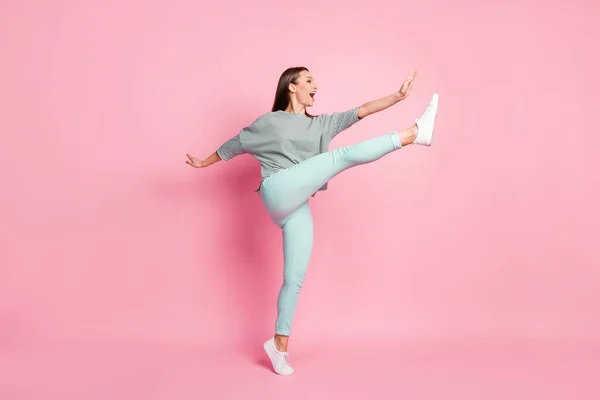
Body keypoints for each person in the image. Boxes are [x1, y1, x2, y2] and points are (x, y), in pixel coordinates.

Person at [186, 67, 439, 376]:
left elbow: (362, 111)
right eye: (308, 80)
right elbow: (234, 145)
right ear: (291, 87)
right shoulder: (268, 122)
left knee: (294, 277)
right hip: (277, 188)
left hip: (295, 205)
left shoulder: (322, 124)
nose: (314, 85)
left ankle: (278, 345)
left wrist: (398, 96)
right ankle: (413, 134)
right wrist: (203, 162)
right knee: (341, 157)